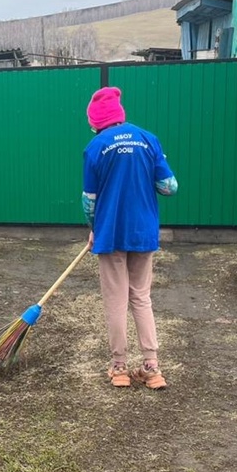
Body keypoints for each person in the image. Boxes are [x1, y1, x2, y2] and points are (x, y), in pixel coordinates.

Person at [82, 86, 177, 389]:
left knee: (115, 300)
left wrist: (93, 228)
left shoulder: (95, 147)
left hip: (110, 233)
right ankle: (151, 367)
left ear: (96, 120)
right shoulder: (149, 140)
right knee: (141, 297)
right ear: (120, 116)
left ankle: (119, 367)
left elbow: (89, 200)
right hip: (143, 231)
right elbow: (170, 187)